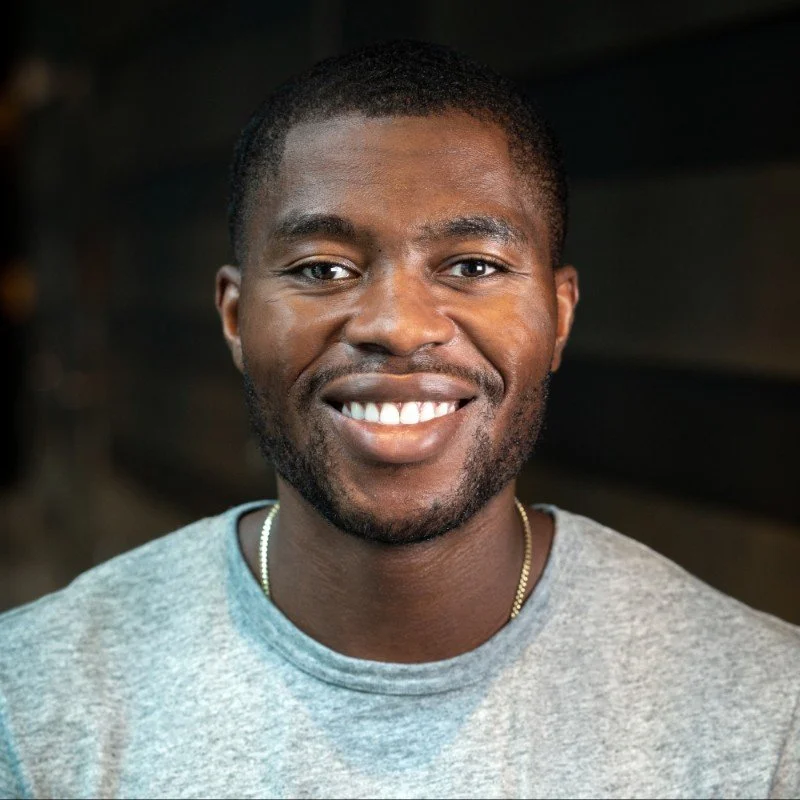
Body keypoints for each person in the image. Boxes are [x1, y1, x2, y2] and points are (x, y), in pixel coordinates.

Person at [1, 40, 797, 799]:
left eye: (473, 266)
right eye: (323, 269)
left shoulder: (765, 718)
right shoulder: (35, 703)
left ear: (558, 316)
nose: (399, 324)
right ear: (237, 319)